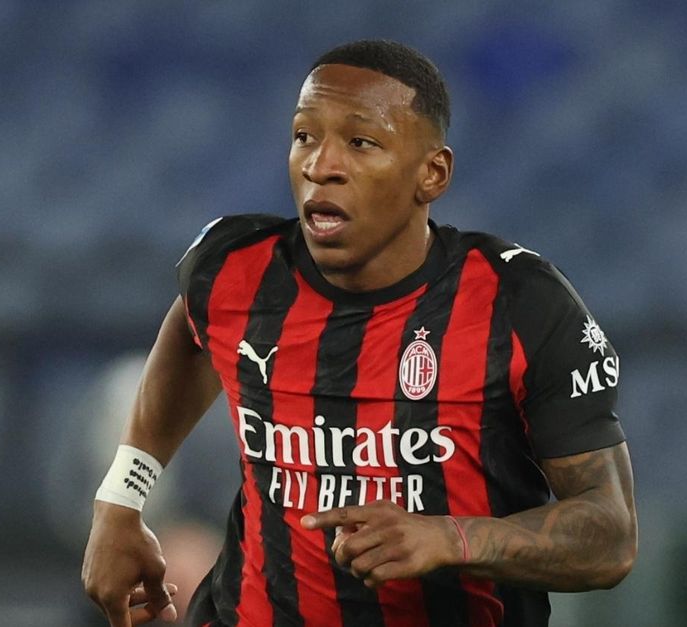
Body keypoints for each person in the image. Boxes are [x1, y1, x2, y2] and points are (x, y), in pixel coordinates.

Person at [82, 39, 637, 627]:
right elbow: (191, 334)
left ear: (432, 173)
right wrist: (122, 497)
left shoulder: (520, 304)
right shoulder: (236, 269)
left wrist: (452, 538)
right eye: (304, 136)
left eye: (360, 142)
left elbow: (610, 536)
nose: (320, 165)